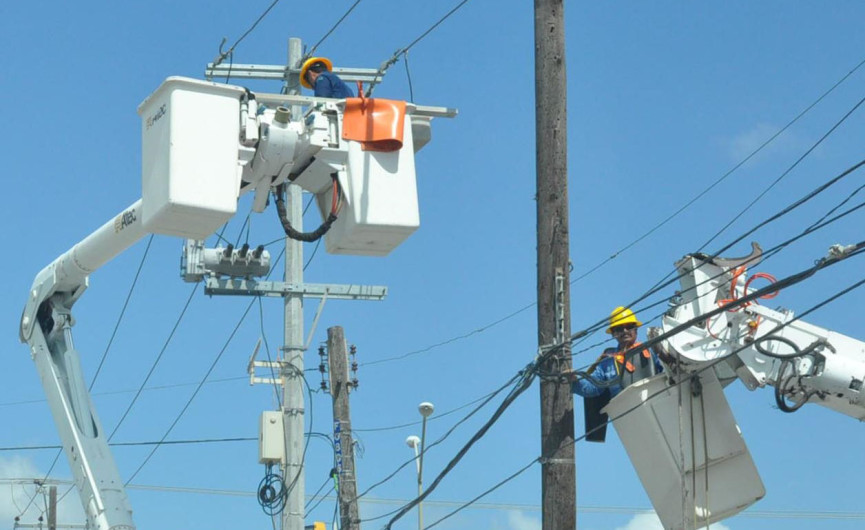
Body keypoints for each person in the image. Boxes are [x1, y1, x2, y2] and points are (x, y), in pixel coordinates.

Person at [566, 306, 665, 442]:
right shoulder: (607, 361)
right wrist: (575, 381)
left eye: (629, 326)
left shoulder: (650, 352)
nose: (625, 331)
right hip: (628, 416)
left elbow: (667, 373)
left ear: (636, 329)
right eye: (619, 329)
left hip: (656, 410)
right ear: (613, 334)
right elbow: (594, 387)